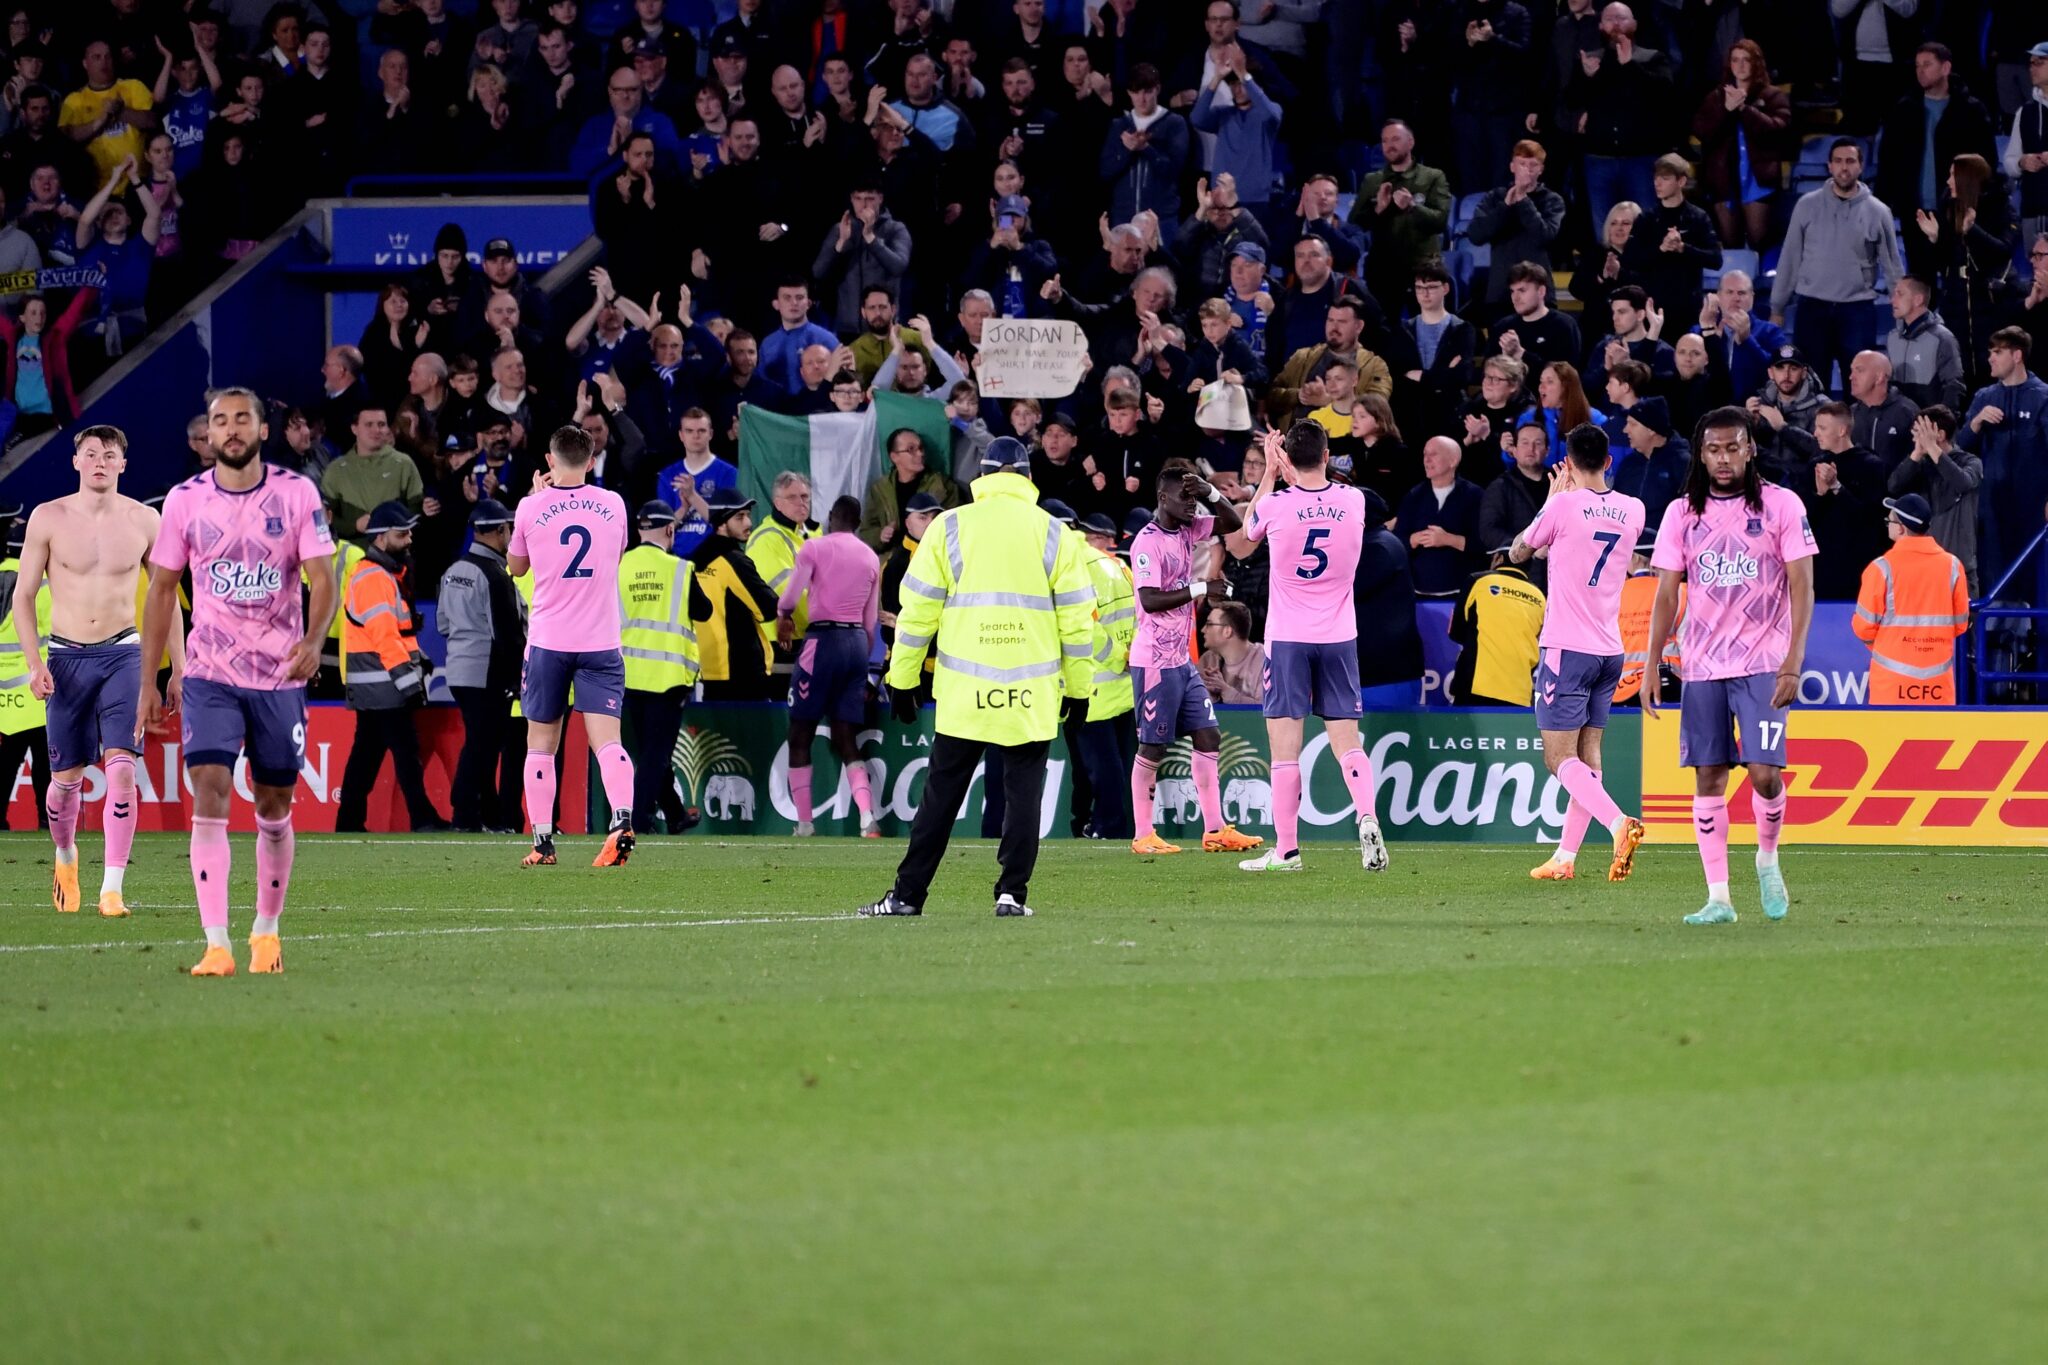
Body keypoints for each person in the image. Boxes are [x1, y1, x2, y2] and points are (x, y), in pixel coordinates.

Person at [138, 387, 338, 976]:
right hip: (209, 673)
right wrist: (151, 679)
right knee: (210, 788)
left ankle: (266, 933)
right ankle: (216, 943)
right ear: (209, 433)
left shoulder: (296, 493)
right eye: (220, 421)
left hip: (279, 675)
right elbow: (159, 592)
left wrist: (315, 640)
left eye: (241, 419)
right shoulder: (183, 501)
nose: (230, 429)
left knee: (275, 805)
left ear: (261, 428)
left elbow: (324, 579)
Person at [859, 440, 1096, 919]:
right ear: (1028, 475)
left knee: (940, 797)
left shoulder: (948, 527)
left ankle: (907, 896)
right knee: (1023, 795)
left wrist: (901, 679)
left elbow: (917, 613)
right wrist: (1079, 688)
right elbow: (1077, 622)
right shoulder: (1053, 533)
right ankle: (1012, 894)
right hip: (1030, 691)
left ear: (981, 476)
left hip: (965, 692)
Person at [1645, 405, 1816, 925]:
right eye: (1714, 449)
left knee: (1764, 774)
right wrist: (1653, 660)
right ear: (1701, 453)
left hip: (1764, 659)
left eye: (1733, 447)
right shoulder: (1682, 514)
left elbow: (1802, 585)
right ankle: (1718, 897)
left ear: (1751, 448)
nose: (1724, 458)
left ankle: (1767, 857)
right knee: (1709, 776)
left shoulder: (1781, 505)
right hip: (1701, 664)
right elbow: (1666, 594)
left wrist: (1793, 659)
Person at [15, 426, 179, 917]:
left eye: (109, 455)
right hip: (65, 658)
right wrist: (33, 662)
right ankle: (65, 856)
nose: (100, 462)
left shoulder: (146, 520)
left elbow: (166, 600)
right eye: (91, 454)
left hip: (124, 654)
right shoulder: (48, 517)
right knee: (64, 782)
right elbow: (24, 596)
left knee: (123, 771)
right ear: (76, 462)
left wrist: (180, 668)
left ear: (123, 464)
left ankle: (112, 889)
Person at [1236, 423, 1386, 874]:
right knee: (1348, 743)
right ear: (1326, 455)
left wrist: (1269, 472)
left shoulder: (1277, 507)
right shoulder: (1353, 500)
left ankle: (1286, 851)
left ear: (1286, 460)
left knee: (1284, 749)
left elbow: (1249, 531)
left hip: (1288, 639)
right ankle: (1367, 816)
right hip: (1339, 636)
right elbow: (1328, 496)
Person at [1514, 424, 1649, 884]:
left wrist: (1553, 500)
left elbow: (1519, 552)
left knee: (1557, 758)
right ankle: (1565, 857)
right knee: (1588, 758)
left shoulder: (1564, 504)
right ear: (1609, 462)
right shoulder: (1633, 509)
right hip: (1610, 651)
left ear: (1567, 463)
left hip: (1567, 648)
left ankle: (1618, 824)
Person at [506, 426, 637, 868]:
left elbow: (517, 568)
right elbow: (614, 555)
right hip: (600, 642)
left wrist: (534, 499)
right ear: (592, 459)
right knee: (609, 744)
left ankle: (543, 844)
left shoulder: (529, 507)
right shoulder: (613, 504)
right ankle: (621, 821)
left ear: (549, 459)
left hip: (548, 642)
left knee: (540, 746)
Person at [1126, 460, 1261, 857]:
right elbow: (1149, 601)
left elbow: (1233, 523)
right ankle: (1143, 834)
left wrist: (1210, 491)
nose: (1192, 505)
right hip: (1154, 661)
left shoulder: (1188, 527)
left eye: (1193, 498)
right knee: (1152, 746)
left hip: (1180, 660)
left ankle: (1215, 830)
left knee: (1209, 735)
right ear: (1161, 498)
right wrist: (1203, 586)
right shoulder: (1147, 542)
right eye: (1184, 498)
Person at [334, 502, 448, 834]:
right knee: (403, 753)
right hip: (384, 685)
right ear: (382, 538)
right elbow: (384, 638)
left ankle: (350, 822)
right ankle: (422, 818)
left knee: (367, 757)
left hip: (377, 685)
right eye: (402, 534)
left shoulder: (382, 575)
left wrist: (420, 660)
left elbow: (398, 635)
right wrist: (409, 684)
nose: (409, 539)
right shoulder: (374, 578)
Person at [777, 496, 881, 838]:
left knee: (800, 732)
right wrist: (861, 657)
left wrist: (784, 617)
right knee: (845, 735)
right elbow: (870, 621)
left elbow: (790, 599)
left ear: (831, 517)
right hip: (855, 645)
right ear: (859, 521)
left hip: (822, 642)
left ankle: (805, 823)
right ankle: (867, 818)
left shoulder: (814, 548)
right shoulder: (870, 557)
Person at [1769, 139, 1903, 393]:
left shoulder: (1878, 211)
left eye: (1850, 161)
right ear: (1829, 166)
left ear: (1861, 167)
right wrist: (1778, 306)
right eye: (1839, 161)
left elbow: (1893, 265)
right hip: (1812, 308)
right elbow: (1790, 257)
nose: (1844, 167)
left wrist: (1903, 308)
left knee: (1862, 388)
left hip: (1857, 310)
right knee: (1810, 389)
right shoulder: (1806, 205)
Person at [439, 498, 526, 833]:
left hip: (458, 668)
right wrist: (518, 677)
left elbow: (443, 623)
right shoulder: (494, 575)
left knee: (482, 742)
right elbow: (506, 634)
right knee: (482, 746)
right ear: (501, 530)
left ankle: (488, 816)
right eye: (509, 528)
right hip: (487, 671)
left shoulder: (453, 571)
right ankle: (464, 813)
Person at [616, 501, 702, 835]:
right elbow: (704, 609)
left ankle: (675, 813)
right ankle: (636, 822)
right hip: (668, 678)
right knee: (656, 755)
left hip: (628, 674)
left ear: (639, 529)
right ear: (670, 530)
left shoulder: (619, 566)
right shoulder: (679, 568)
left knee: (648, 751)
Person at [1853, 492, 1971, 704]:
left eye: (1889, 520)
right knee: (1938, 738)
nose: (1887, 525)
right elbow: (1960, 625)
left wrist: (1891, 644)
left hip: (1891, 684)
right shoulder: (1953, 566)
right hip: (1938, 685)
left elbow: (1863, 627)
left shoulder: (1881, 568)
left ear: (1901, 528)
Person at [1956, 327, 2048, 592]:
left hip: (2032, 505)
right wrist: (1976, 421)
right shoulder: (1984, 397)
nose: (1990, 359)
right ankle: (1996, 631)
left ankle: (2035, 631)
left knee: (2034, 571)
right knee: (1994, 572)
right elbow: (1961, 448)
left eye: (1997, 352)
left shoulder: (2042, 397)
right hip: (1992, 505)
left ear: (2017, 355)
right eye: (1990, 353)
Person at [1689, 38, 1792, 249]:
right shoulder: (1716, 97)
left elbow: (1778, 129)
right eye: (1735, 60)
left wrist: (1745, 109)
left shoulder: (1773, 96)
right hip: (1723, 181)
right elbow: (1702, 132)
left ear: (1756, 64)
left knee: (1759, 242)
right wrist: (1726, 110)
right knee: (1729, 244)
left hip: (1757, 180)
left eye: (1746, 60)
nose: (1741, 65)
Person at [689, 485, 780, 701]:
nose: (748, 523)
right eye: (740, 517)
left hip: (707, 670)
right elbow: (768, 609)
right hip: (743, 671)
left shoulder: (692, 560)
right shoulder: (734, 560)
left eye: (747, 516)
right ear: (721, 522)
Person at [1887, 405, 1983, 597]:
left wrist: (1931, 448)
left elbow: (1962, 482)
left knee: (1963, 626)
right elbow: (1894, 486)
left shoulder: (1971, 462)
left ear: (1939, 435)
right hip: (1921, 567)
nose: (1915, 438)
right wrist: (1916, 454)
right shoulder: (1919, 464)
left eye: (1919, 433)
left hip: (1959, 567)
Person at [1617, 154, 1721, 317]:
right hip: (1654, 308)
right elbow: (1629, 260)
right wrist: (1661, 249)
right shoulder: (1646, 219)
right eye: (1656, 178)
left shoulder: (1698, 217)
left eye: (1664, 178)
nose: (1657, 183)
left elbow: (1715, 260)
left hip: (1689, 308)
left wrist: (1683, 248)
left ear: (1681, 182)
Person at [1467, 141, 1567, 310]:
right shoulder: (1495, 197)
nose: (1527, 170)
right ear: (1512, 167)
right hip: (1501, 292)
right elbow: (1476, 235)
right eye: (1522, 164)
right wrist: (1505, 206)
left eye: (1533, 165)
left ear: (1541, 170)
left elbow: (1545, 236)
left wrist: (1523, 200)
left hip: (1538, 292)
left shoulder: (1552, 200)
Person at [0, 517, 53, 832]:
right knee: (46, 761)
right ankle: (48, 820)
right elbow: (52, 625)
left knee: (7, 761)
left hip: (5, 694)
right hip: (39, 683)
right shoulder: (32, 578)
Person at [1448, 546, 1545, 706]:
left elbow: (1456, 632)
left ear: (1498, 559)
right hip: (1519, 693)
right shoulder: (1540, 597)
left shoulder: (1478, 581)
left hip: (1475, 688)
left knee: (1467, 731)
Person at [1479, 419, 1554, 592]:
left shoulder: (1561, 484)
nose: (1531, 449)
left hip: (1559, 575)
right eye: (1525, 443)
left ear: (1547, 450)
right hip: (1518, 577)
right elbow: (1488, 531)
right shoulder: (1500, 487)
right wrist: (1528, 547)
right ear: (1513, 450)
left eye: (1538, 443)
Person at [1491, 261, 1581, 376]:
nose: (1515, 298)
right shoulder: (1503, 326)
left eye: (1522, 290)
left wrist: (1520, 354)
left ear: (1541, 291)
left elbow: (1565, 376)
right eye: (1512, 291)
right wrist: (1503, 359)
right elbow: (1486, 373)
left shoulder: (1563, 326)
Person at [1196, 598, 1261, 704]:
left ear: (1227, 631)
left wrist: (1226, 691)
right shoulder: (1208, 660)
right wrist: (1211, 694)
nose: (1203, 630)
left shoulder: (1262, 660)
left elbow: (1266, 711)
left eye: (1209, 624)